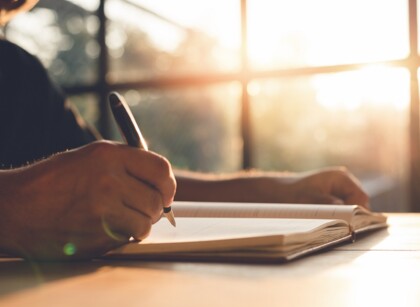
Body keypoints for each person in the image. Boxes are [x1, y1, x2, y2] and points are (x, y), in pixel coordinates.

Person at [0, 0, 369, 261]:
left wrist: (277, 192)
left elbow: (124, 186)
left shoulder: (16, 72)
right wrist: (13, 207)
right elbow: (44, 198)